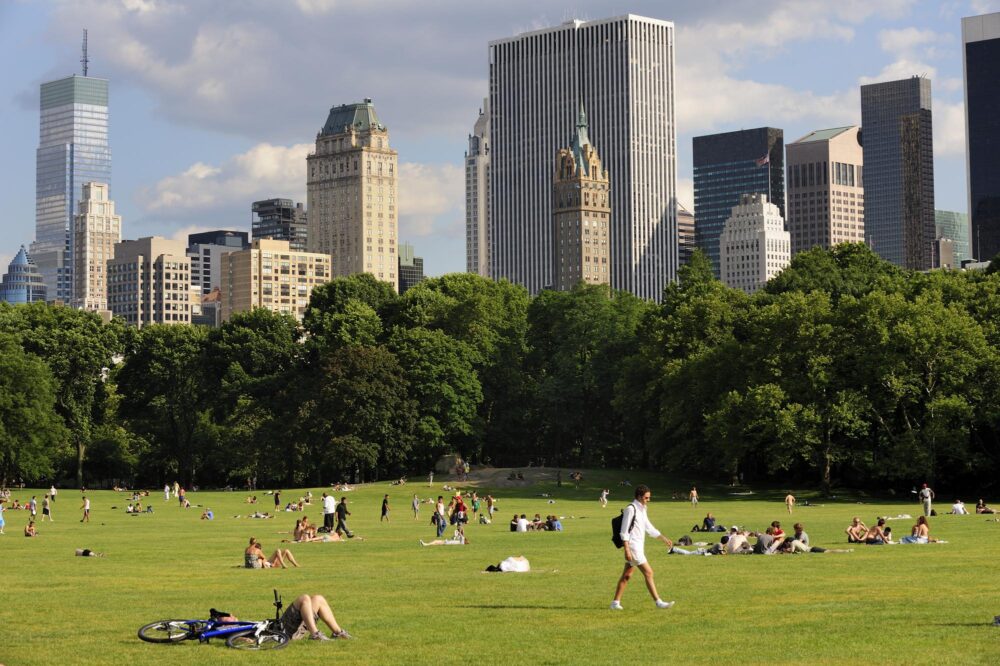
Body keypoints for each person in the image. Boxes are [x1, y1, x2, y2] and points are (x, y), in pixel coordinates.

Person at [611, 485, 675, 611]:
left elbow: (648, 527)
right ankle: (658, 602)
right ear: (639, 496)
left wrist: (663, 538)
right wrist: (627, 549)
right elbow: (624, 532)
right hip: (633, 547)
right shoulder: (630, 509)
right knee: (649, 572)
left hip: (639, 546)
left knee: (627, 575)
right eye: (646, 498)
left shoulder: (642, 509)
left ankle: (615, 603)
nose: (648, 500)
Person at [279, 593, 352, 641]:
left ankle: (338, 633)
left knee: (318, 599)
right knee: (304, 598)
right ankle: (315, 635)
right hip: (284, 631)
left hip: (298, 631)